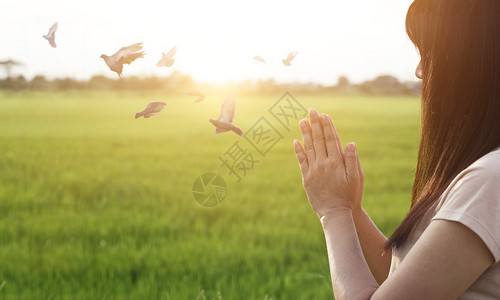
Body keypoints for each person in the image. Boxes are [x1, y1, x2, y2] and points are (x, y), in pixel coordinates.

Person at [293, 0, 500, 298]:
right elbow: (408, 277)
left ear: (472, 62)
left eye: (428, 53)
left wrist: (332, 212)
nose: (418, 70)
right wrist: (352, 210)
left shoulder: (489, 180)